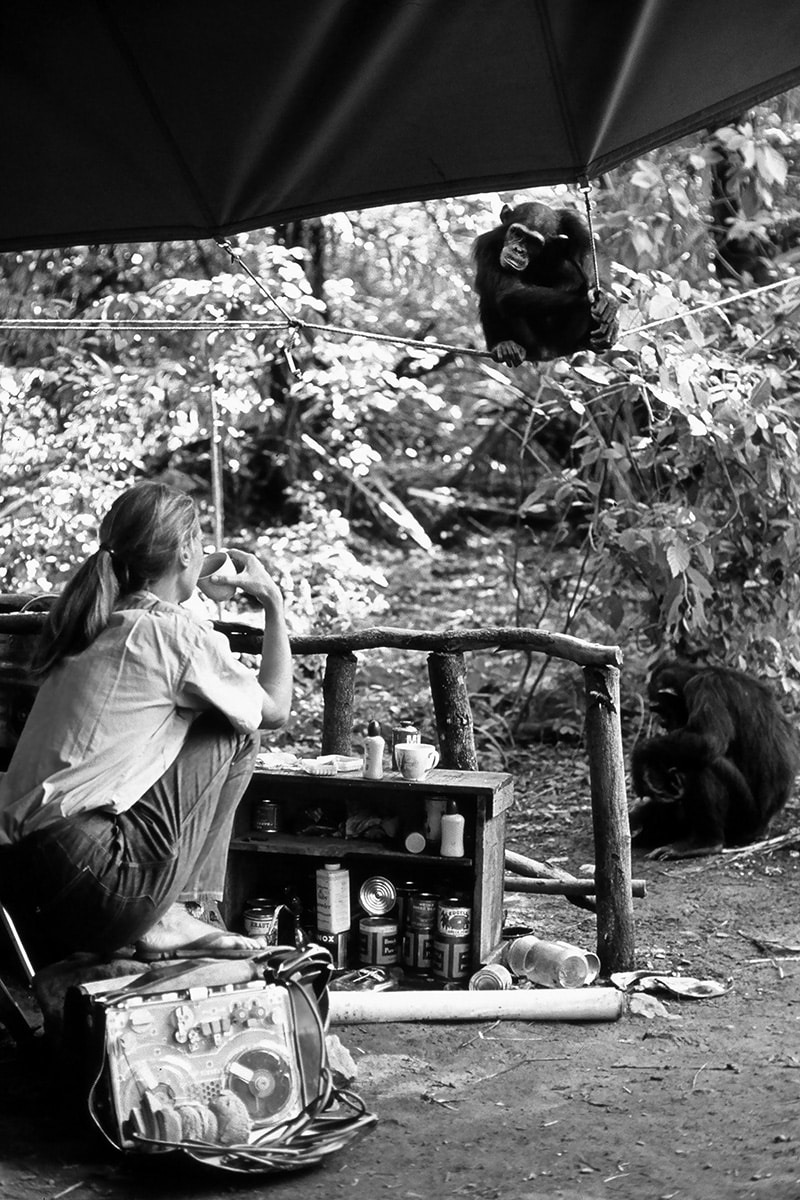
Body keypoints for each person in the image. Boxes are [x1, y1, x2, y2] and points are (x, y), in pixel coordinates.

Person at [0, 481, 293, 965]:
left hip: (22, 884)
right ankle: (174, 913)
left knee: (202, 720)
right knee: (238, 730)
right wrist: (273, 604)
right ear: (183, 551)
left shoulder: (93, 620)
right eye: (197, 541)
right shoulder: (171, 633)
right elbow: (274, 710)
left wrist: (190, 574)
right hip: (93, 885)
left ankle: (169, 915)